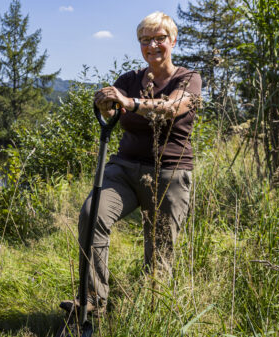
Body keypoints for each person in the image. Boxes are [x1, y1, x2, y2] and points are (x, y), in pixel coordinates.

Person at [61, 12, 202, 315]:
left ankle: (152, 314)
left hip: (170, 173)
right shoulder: (129, 79)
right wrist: (106, 104)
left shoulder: (188, 78)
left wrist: (132, 103)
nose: (152, 45)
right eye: (145, 40)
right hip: (124, 169)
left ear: (172, 40)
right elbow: (113, 113)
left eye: (159, 38)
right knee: (91, 214)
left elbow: (172, 108)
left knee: (159, 250)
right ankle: (92, 301)